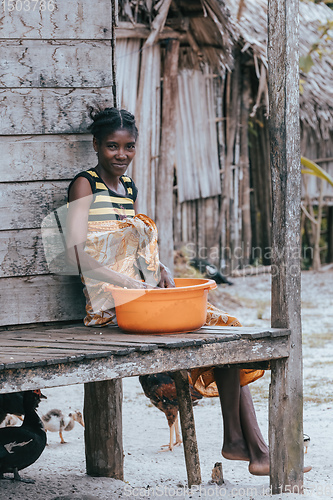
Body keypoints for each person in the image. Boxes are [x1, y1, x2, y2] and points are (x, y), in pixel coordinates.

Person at [65, 106, 307, 477]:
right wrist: (123, 281)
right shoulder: (85, 184)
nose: (121, 155)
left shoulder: (127, 187)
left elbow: (131, 243)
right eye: (112, 147)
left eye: (129, 147)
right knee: (220, 332)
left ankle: (244, 444)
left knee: (227, 331)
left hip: (136, 297)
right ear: (96, 145)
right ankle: (250, 446)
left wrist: (156, 267)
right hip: (108, 306)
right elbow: (76, 254)